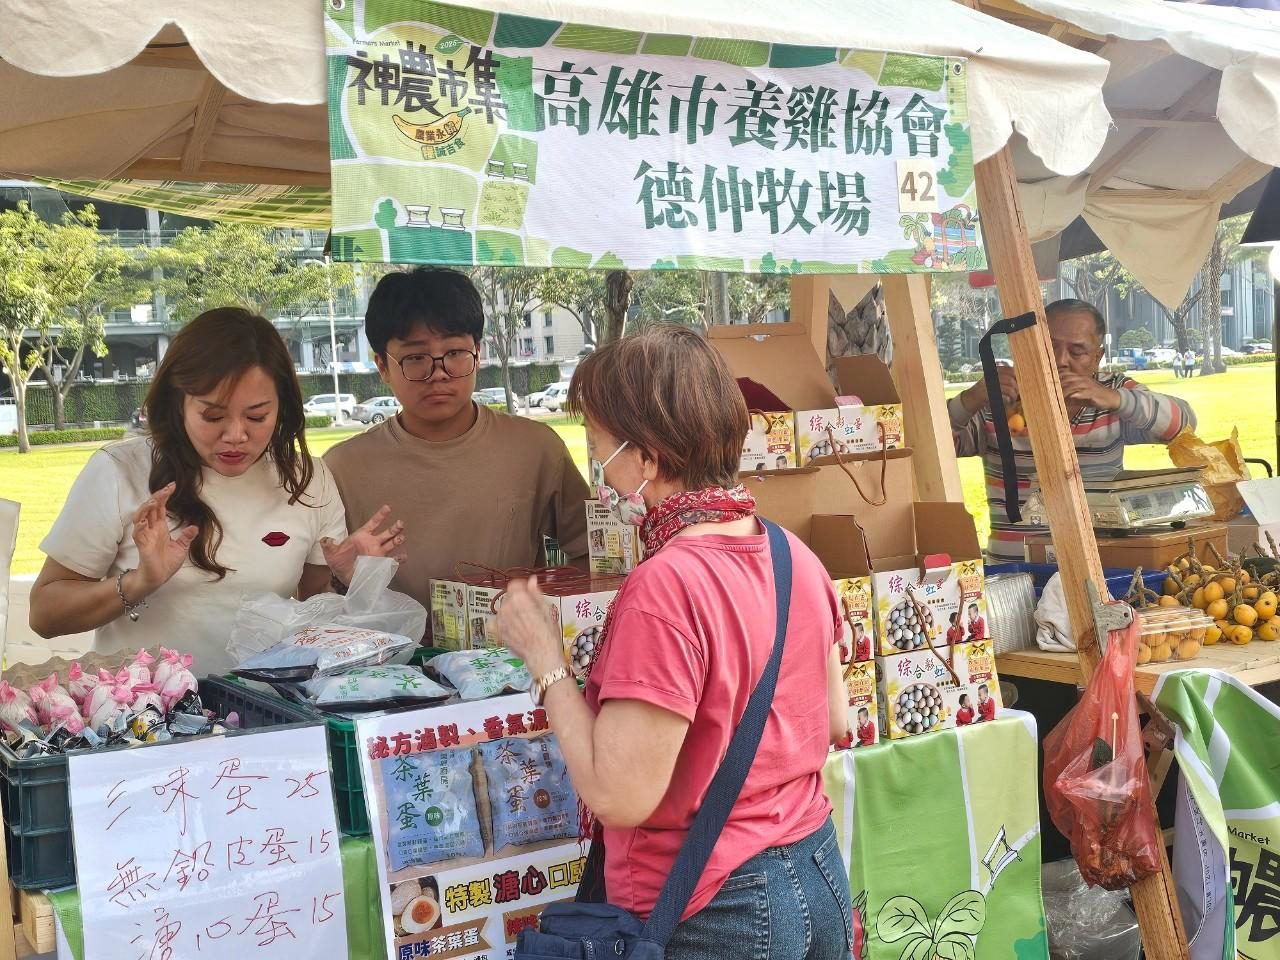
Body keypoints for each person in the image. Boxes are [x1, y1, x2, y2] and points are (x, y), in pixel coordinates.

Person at [497, 326, 853, 960]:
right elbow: (836, 720)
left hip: (719, 908)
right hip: (817, 874)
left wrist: (546, 659)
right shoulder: (794, 553)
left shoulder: (665, 587)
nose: (596, 470)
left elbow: (619, 796)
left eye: (599, 448)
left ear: (648, 458)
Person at [30, 308, 401, 676]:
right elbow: (45, 614)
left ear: (281, 407)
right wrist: (140, 581)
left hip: (266, 710)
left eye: (257, 417)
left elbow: (315, 606)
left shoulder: (305, 478)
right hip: (149, 720)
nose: (236, 435)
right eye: (212, 416)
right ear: (179, 404)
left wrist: (346, 578)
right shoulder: (121, 471)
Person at [324, 268, 590, 618]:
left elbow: (592, 553)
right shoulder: (341, 468)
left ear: (478, 353)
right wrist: (347, 579)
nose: (439, 372)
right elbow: (316, 592)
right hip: (387, 664)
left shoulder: (537, 449)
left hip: (509, 659)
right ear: (382, 366)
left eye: (454, 353)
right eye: (415, 358)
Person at [950, 299, 1196, 560]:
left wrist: (1115, 399)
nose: (1060, 361)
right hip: (1014, 570)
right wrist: (968, 401)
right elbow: (929, 448)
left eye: (1077, 351)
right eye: (1049, 347)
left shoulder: (1113, 393)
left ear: (1097, 357)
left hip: (1099, 564)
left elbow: (1184, 425)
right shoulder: (999, 397)